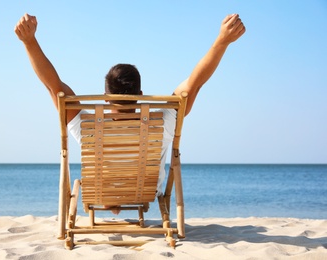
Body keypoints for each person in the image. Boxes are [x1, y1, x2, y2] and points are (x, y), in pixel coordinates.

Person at [14, 13, 245, 211]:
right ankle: (118, 196)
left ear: (106, 97)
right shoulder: (163, 122)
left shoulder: (88, 127)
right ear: (140, 93)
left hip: (101, 192)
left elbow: (54, 87)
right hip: (144, 192)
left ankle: (112, 200)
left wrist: (29, 41)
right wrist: (222, 41)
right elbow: (194, 84)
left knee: (89, 179)